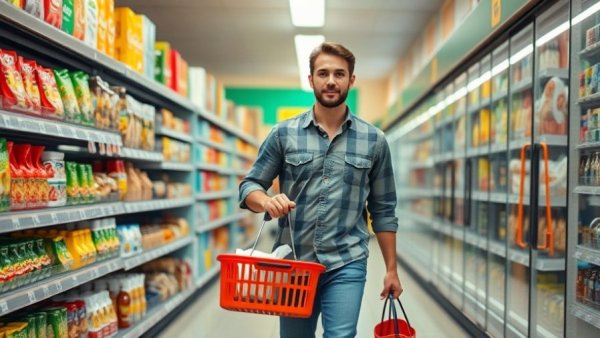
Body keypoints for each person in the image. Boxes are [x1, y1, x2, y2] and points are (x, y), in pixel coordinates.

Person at [239, 42, 402, 338]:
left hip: (347, 261)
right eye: (323, 73)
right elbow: (249, 186)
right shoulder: (283, 134)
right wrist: (265, 201)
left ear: (351, 80)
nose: (330, 81)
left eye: (339, 74)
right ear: (310, 78)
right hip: (294, 264)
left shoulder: (374, 140)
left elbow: (384, 210)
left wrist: (391, 269)